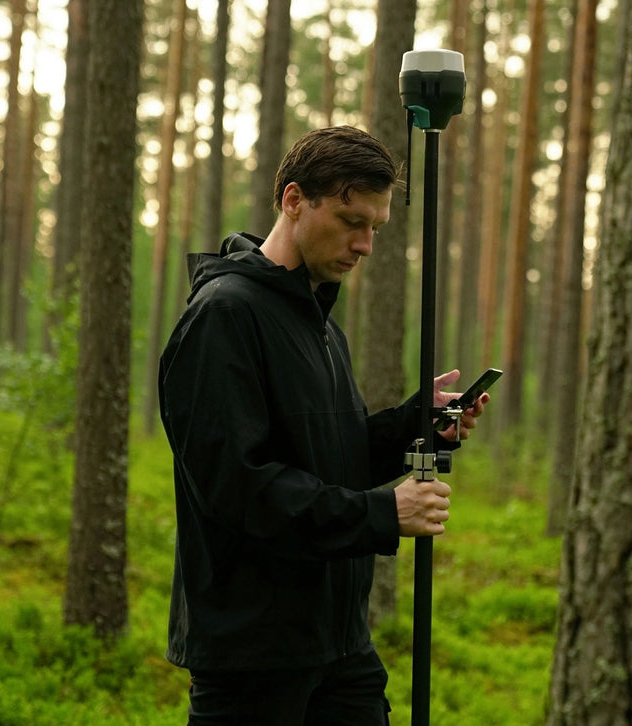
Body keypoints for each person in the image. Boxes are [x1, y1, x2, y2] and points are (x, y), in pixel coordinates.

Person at [157, 125, 489, 725]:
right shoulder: (224, 317)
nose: (364, 244)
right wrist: (382, 514)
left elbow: (334, 455)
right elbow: (239, 487)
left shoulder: (319, 324)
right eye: (350, 220)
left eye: (376, 228)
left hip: (337, 642)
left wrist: (419, 425)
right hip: (253, 653)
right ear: (292, 200)